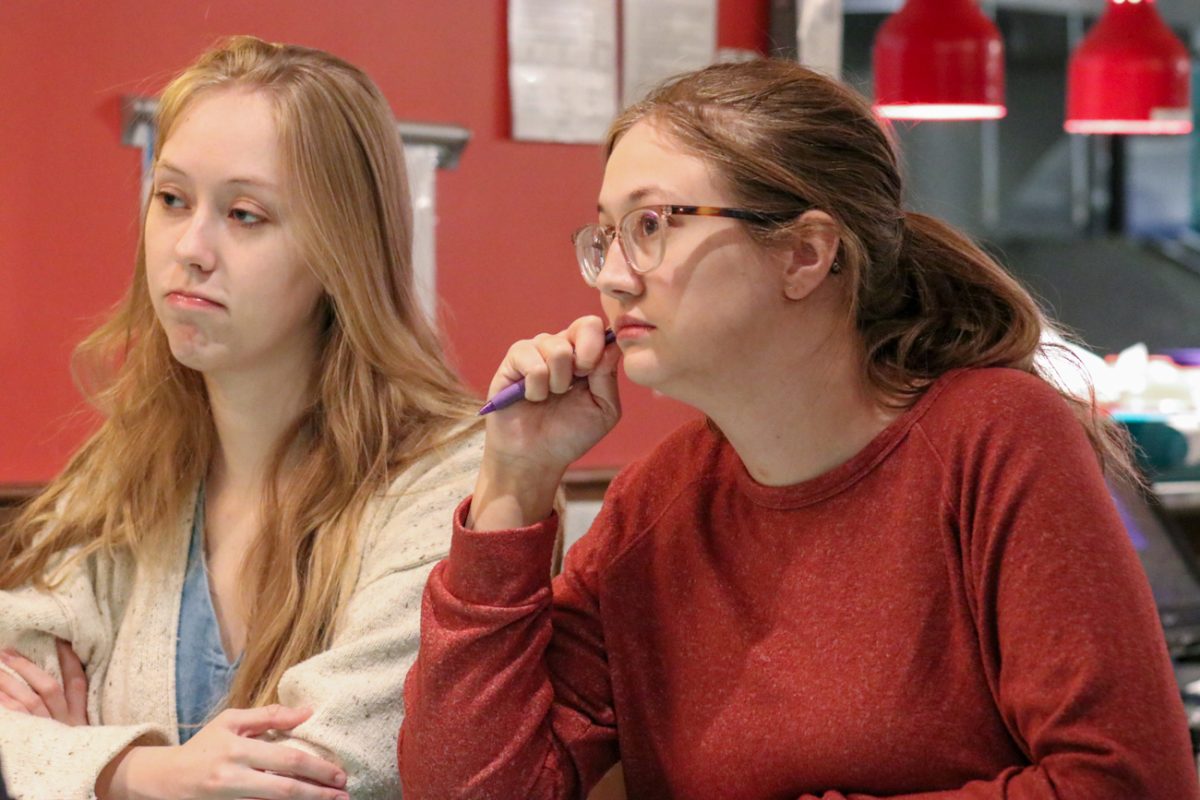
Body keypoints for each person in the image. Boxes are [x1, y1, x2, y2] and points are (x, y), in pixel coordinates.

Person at [399, 59, 1199, 799]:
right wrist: (512, 485)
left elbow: (1124, 782)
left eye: (651, 226)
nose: (612, 275)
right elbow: (466, 789)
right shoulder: (658, 505)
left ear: (805, 255)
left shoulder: (994, 437)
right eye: (607, 234)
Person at [0, 36, 483, 799]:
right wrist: (139, 773)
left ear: (341, 250)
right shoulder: (126, 465)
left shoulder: (451, 480)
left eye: (246, 214)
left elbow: (329, 769)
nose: (190, 248)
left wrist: (77, 762)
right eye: (172, 199)